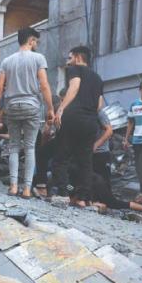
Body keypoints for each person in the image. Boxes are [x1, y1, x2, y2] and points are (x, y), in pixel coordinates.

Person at [0, 27, 54, 199]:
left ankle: (13, 186)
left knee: (13, 147)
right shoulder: (38, 58)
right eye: (36, 41)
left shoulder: (7, 61)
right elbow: (44, 85)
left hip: (11, 106)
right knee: (29, 148)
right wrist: (50, 109)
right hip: (31, 105)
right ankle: (26, 189)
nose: (37, 45)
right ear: (31, 40)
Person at [52, 46, 104, 206]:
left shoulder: (75, 70)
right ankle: (82, 198)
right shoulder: (98, 78)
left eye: (69, 58)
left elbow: (74, 88)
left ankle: (62, 194)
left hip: (73, 117)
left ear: (77, 57)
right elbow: (99, 104)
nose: (68, 62)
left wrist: (61, 109)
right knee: (85, 161)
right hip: (90, 121)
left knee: (61, 157)